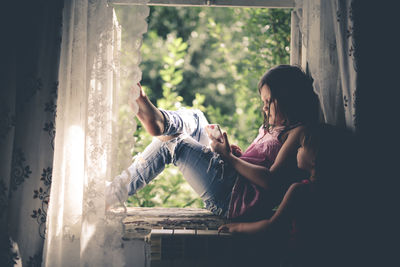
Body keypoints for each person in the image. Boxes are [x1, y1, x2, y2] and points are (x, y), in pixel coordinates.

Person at [106, 65, 319, 222]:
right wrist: (236, 155)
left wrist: (227, 157)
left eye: (268, 102)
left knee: (172, 145)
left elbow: (271, 181)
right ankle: (161, 121)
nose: (264, 108)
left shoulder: (297, 133)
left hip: (232, 198)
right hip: (233, 179)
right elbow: (261, 162)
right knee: (198, 118)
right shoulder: (273, 127)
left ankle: (110, 195)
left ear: (288, 100)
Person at [218, 123, 356, 266]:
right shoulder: (328, 192)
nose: (298, 149)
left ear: (314, 158)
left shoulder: (300, 190)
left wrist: (238, 228)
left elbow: (272, 226)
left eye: (301, 147)